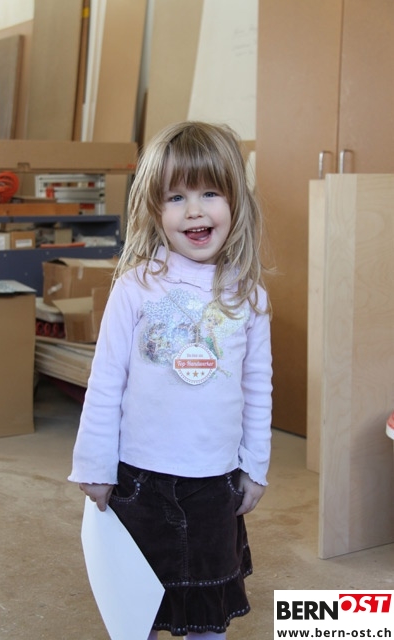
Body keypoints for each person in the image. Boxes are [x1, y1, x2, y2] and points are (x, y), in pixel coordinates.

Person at [68, 121, 273, 639]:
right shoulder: (135, 287)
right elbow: (106, 380)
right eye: (176, 197)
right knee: (138, 609)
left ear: (236, 201)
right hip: (139, 479)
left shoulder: (249, 296)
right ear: (155, 209)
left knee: (206, 611)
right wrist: (94, 464)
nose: (194, 211)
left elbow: (257, 388)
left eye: (210, 193)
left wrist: (255, 466)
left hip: (215, 483)